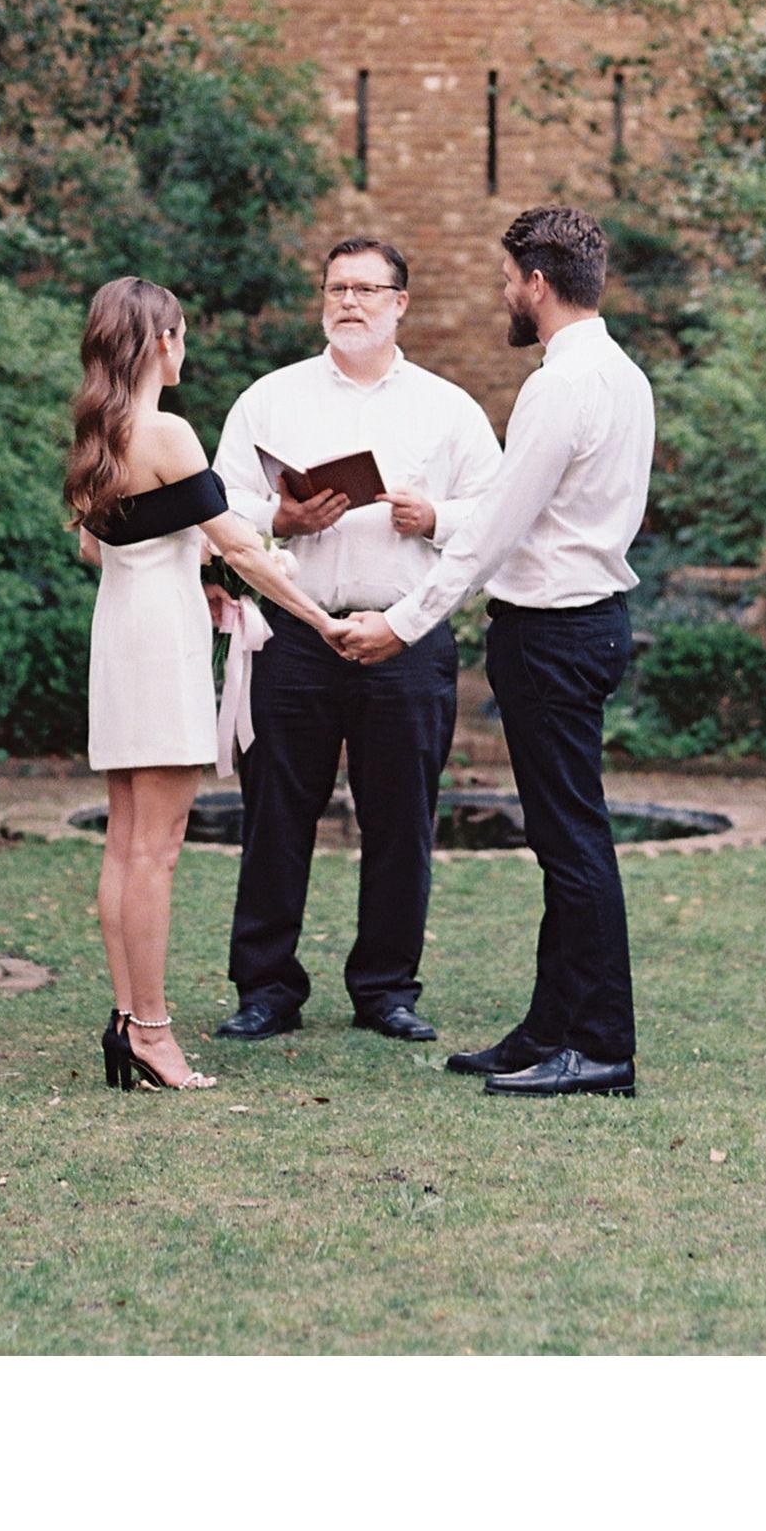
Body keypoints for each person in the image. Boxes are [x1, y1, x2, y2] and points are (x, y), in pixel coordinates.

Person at [334, 206, 654, 1099]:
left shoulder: (561, 385)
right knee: (565, 838)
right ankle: (549, 1027)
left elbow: (496, 538)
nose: (505, 295)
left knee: (572, 841)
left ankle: (601, 1046)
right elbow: (530, 509)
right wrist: (440, 520)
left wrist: (401, 622)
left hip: (554, 635)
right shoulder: (622, 374)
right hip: (582, 625)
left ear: (539, 285)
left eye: (509, 280)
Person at [208, 237, 503, 1045]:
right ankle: (266, 987)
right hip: (297, 631)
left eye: (368, 290)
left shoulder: (448, 409)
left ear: (401, 303)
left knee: (402, 818)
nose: (349, 302)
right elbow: (220, 504)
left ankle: (386, 990)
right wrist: (282, 517)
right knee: (275, 815)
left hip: (405, 636)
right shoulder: (270, 398)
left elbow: (498, 514)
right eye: (337, 288)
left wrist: (433, 517)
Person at [68, 275, 346, 1090]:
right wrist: (321, 620)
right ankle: (153, 1035)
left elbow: (97, 548)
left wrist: (191, 554)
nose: (184, 347)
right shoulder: (168, 431)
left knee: (126, 846)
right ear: (160, 342)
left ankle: (127, 1020)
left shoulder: (102, 432)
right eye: (181, 333)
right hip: (161, 643)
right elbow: (246, 546)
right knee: (155, 852)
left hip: (120, 632)